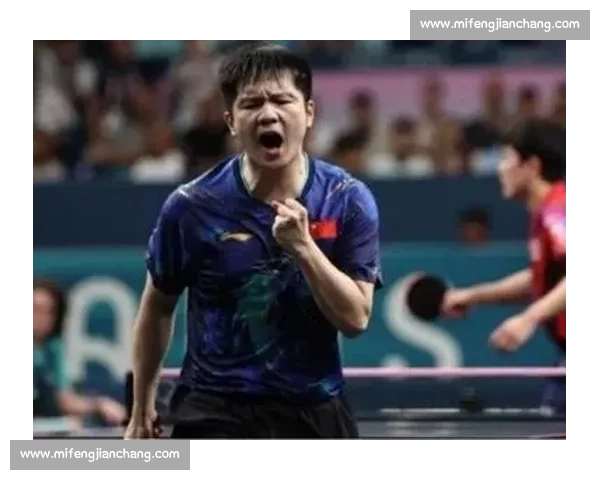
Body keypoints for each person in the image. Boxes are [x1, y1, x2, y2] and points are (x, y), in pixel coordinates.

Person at [124, 43, 382, 439]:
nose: (268, 113)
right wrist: (141, 408)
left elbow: (356, 319)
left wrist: (304, 248)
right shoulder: (192, 206)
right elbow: (157, 307)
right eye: (252, 103)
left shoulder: (347, 199)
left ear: (309, 113)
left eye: (282, 100)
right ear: (231, 121)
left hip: (314, 409)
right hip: (214, 409)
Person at [442, 119, 567, 413]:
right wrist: (471, 296)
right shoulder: (549, 212)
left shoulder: (558, 211)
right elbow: (541, 278)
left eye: (506, 159)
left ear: (531, 166)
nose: (500, 169)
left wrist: (528, 319)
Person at [32, 279, 127, 425]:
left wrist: (100, 404)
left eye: (49, 312)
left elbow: (65, 401)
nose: (41, 317)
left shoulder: (53, 349)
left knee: (76, 425)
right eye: (34, 309)